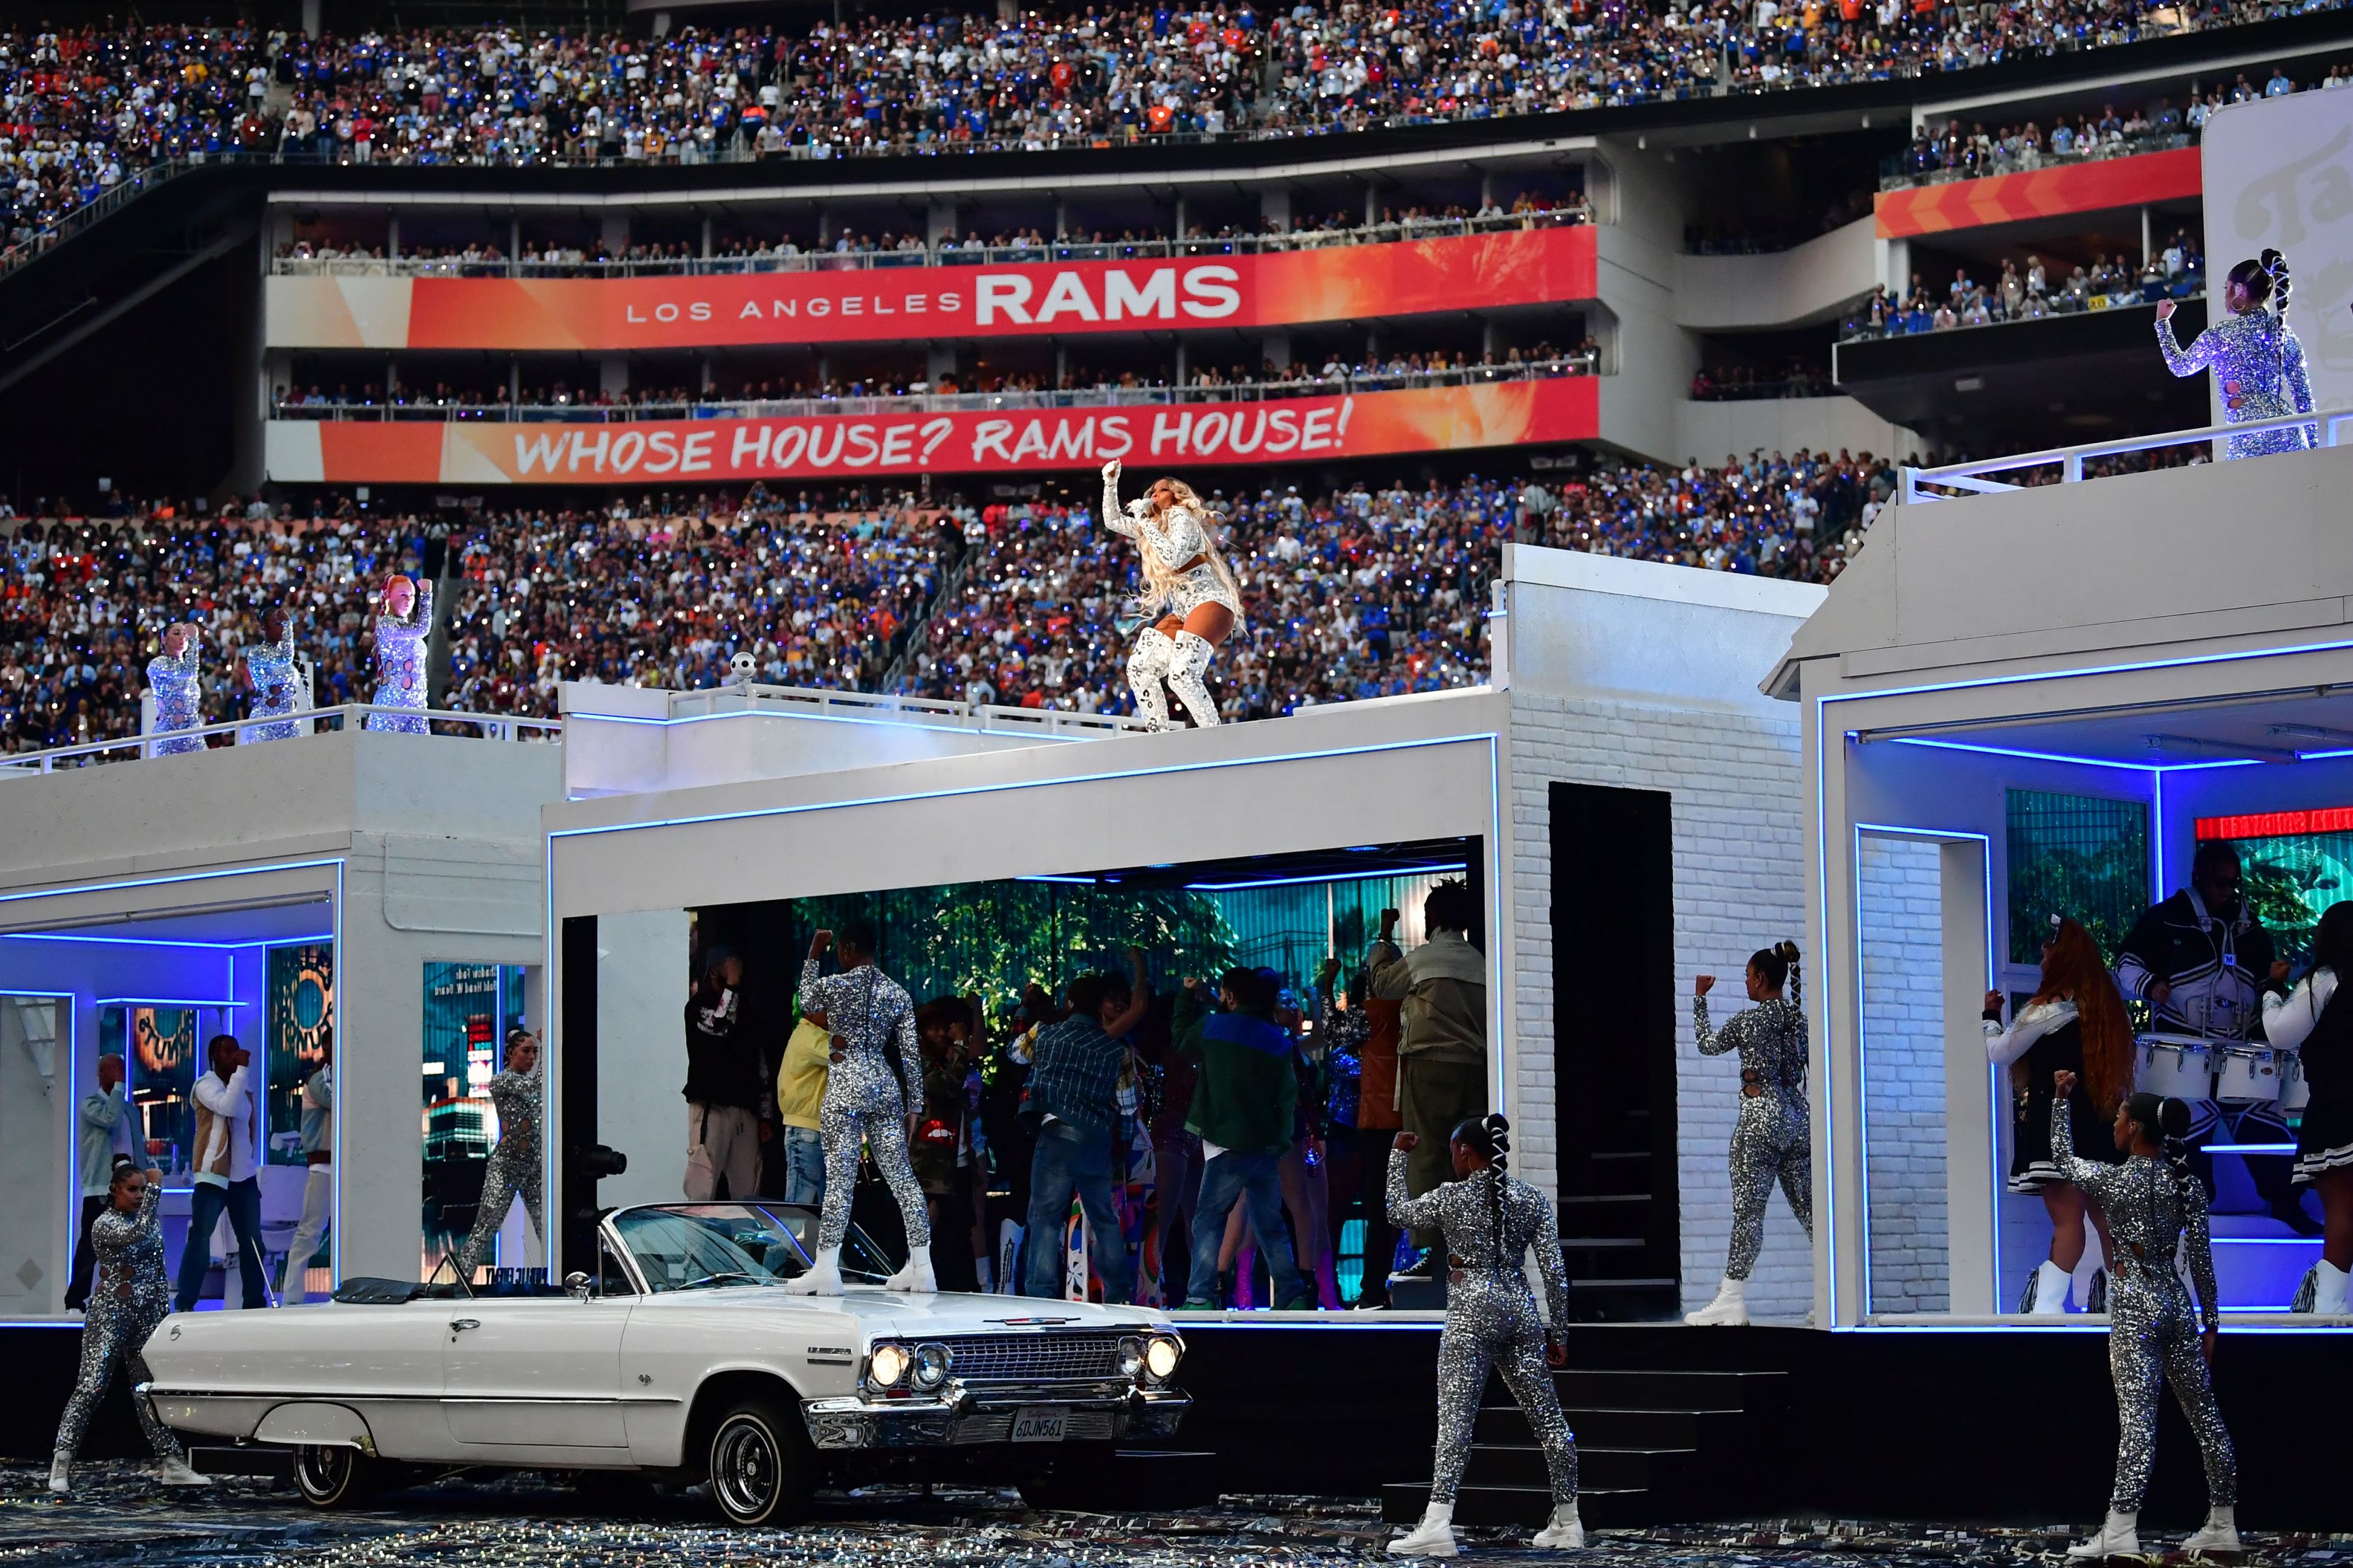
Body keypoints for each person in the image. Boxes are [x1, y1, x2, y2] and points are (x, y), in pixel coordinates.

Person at [2048, 1071, 2239, 1560]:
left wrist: (2060, 1100)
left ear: (2134, 1129)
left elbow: (2064, 1161)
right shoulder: (2186, 1186)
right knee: (2207, 1419)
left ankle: (2121, 1530)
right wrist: (2211, 1320)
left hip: (2136, 1306)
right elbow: (2201, 1258)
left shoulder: (2117, 1180)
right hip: (2178, 1306)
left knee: (2138, 1420)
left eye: (2119, 1118)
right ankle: (2223, 1524)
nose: (2114, 1123)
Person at [1384, 1115, 1581, 1557]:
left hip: (1472, 1310)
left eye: (1455, 1152)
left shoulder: (1453, 1197)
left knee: (1456, 1421)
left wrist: (1398, 1157)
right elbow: (1555, 1272)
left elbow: (1396, 1213)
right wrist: (1561, 1332)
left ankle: (1437, 1522)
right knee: (1551, 1423)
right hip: (1521, 1311)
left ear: (1466, 1152)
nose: (1453, 1159)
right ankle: (1569, 1520)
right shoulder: (1530, 1198)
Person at [2115, 841, 2312, 1234]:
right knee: (2186, 1133)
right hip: (2183, 1046)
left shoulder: (2251, 929)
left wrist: (2274, 983)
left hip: (2239, 1046)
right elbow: (2125, 964)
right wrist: (2150, 985)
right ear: (2199, 877)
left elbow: (2262, 986)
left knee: (2264, 1129)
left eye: (2234, 882)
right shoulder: (2166, 919)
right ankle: (2191, 1217)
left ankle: (2287, 1204)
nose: (2228, 889)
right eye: (2221, 881)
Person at [1985, 918, 2134, 1314]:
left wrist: (1988, 1018)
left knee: (2068, 1222)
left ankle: (2045, 1310)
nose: (2042, 957)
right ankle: (2125, 1304)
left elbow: (1999, 1052)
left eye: (2047, 950)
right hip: (2100, 1129)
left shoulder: (2048, 1009)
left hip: (2059, 1126)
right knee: (2107, 1222)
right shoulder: (2104, 1008)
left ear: (2061, 955)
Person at [786, 920, 934, 1295]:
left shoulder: (836, 985)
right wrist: (914, 1102)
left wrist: (813, 954)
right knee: (903, 1177)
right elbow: (910, 1054)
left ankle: (826, 1268)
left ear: (847, 949)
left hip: (845, 1086)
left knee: (839, 1180)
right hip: (884, 1085)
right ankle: (922, 1266)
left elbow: (806, 1002)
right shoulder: (897, 993)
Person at [51, 1158, 208, 1494]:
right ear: (115, 1190)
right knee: (91, 1387)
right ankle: (61, 1463)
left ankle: (173, 1463)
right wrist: (154, 1190)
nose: (139, 1196)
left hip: (146, 1316)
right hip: (110, 1316)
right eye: (132, 1190)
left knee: (147, 1391)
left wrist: (162, 1314)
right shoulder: (104, 1224)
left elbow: (155, 1268)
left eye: (142, 1189)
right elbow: (132, 1235)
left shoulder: (149, 1221)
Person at [1685, 942, 1814, 1326]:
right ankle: (1833, 1288)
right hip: (1797, 1120)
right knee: (1811, 1210)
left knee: (1749, 1212)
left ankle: (1731, 1296)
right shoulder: (1799, 1020)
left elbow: (1707, 1045)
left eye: (1747, 975)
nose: (1745, 981)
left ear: (1760, 979)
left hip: (1759, 1121)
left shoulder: (1749, 1021)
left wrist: (1699, 1000)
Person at [1371, 881, 1490, 1283]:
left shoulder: (1425, 959)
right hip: (1475, 1068)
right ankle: (1469, 1254)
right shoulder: (1481, 962)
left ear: (1435, 918)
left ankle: (1436, 1255)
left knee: (1427, 1159)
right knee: (1470, 1162)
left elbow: (1383, 984)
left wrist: (1384, 938)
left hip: (1426, 1068)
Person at [1175, 966, 1308, 1310]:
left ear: (1231, 997)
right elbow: (1288, 1097)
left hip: (1224, 1144)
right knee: (1271, 1225)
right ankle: (1292, 1295)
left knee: (1208, 1219)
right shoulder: (1277, 1040)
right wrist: (1279, 1140)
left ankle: (1200, 1296)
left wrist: (1187, 996)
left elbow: (1179, 1039)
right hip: (1265, 1147)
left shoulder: (1214, 1027)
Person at [1023, 953, 1151, 1302]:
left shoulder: (1045, 1035)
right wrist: (1121, 1148)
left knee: (1046, 1219)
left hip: (1055, 1137)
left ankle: (1041, 1294)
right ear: (1099, 1008)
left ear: (1069, 1003)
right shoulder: (1117, 1051)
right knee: (1104, 1219)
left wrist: (1030, 1014)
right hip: (1096, 1141)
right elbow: (1127, 1108)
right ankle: (1118, 1293)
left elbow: (1015, 1053)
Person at [1099, 458, 1245, 730]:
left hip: (1209, 602)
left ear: (1176, 496)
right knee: (1140, 666)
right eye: (1152, 492)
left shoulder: (1181, 517)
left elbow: (1175, 558)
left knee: (1181, 675)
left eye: (1162, 490)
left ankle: (1215, 735)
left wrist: (1145, 520)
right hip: (1184, 610)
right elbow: (1113, 520)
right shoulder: (1154, 525)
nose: (1154, 495)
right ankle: (1159, 735)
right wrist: (1111, 483)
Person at [2261, 900, 2353, 1313]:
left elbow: (2280, 1034)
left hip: (2338, 1107)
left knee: (2341, 1206)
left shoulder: (2324, 981)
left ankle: (2329, 1307)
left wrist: (2271, 991)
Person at [2155, 248, 2315, 460]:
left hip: (2248, 441)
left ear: (2239, 289)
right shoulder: (2283, 334)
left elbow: (2180, 366)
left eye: (2226, 288)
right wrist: (2317, 450)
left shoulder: (2221, 335)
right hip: (2291, 436)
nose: (2225, 295)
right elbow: (2304, 399)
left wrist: (2162, 323)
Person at [1322, 950, 1405, 1307]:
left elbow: (1331, 1032)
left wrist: (1326, 985)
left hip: (1367, 1124)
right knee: (1376, 1209)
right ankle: (1354, 1286)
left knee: (1369, 1209)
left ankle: (1367, 1289)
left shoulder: (1373, 1016)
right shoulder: (1403, 1012)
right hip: (1375, 1123)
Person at [173, 1035, 267, 1313]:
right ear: (214, 1056)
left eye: (236, 1050)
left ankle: (254, 1303)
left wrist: (250, 1170)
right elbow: (227, 1107)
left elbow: (243, 1121)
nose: (234, 1055)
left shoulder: (241, 1087)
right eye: (227, 1051)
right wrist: (243, 1071)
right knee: (201, 1237)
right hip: (213, 1173)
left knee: (252, 1242)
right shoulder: (204, 1085)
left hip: (243, 1178)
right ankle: (185, 1303)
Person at [455, 1029, 543, 1281]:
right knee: (487, 1223)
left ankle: (563, 1275)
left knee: (546, 1226)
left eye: (535, 1052)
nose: (532, 1057)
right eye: (526, 1051)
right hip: (506, 1165)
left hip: (533, 1166)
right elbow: (536, 1087)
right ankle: (462, 1279)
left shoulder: (520, 1082)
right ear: (510, 1053)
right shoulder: (502, 1081)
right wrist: (548, 1047)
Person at [683, 948, 762, 1202]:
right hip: (711, 1107)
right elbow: (720, 1026)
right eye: (729, 966)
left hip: (744, 1108)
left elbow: (758, 1060)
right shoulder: (697, 1008)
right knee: (702, 1186)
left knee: (748, 1188)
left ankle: (745, 1241)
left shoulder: (747, 1010)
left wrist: (766, 1112)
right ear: (715, 970)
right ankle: (697, 1240)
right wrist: (732, 986)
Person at [67, 1054, 141, 1313]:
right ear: (101, 1073)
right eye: (114, 1069)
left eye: (122, 1069)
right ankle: (75, 1301)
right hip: (100, 1186)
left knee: (128, 1244)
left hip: (129, 1188)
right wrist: (118, 1087)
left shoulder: (129, 1109)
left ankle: (123, 1297)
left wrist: (142, 1179)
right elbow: (110, 1118)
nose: (120, 1073)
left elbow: (136, 1144)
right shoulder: (91, 1104)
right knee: (91, 1243)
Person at [280, 1033, 334, 1305]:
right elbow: (342, 1103)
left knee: (317, 1231)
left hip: (339, 1165)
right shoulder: (320, 1079)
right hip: (325, 1165)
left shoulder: (333, 1076)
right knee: (310, 1231)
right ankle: (291, 1296)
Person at [775, 1002, 831, 1207]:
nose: (830, 1014)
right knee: (799, 1204)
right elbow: (841, 1055)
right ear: (809, 1011)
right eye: (825, 1009)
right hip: (806, 1129)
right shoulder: (808, 1036)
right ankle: (786, 1240)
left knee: (821, 1206)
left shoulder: (816, 1036)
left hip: (817, 1128)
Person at [365, 572, 432, 733]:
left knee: (422, 754)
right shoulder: (387, 625)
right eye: (403, 595)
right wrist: (427, 594)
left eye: (412, 595)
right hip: (392, 704)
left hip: (417, 704)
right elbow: (422, 628)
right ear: (389, 598)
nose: (409, 600)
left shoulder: (408, 630)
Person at [241, 607, 302, 743]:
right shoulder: (257, 654)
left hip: (289, 723)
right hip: (265, 723)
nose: (282, 628)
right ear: (264, 627)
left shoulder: (286, 658)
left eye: (282, 624)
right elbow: (286, 657)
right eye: (278, 624)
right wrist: (288, 625)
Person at [146, 622, 203, 756]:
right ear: (164, 639)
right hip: (170, 736)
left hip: (194, 734)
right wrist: (194, 640)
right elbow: (189, 671)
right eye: (177, 633)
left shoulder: (187, 668)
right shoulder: (158, 664)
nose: (183, 637)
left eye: (185, 634)